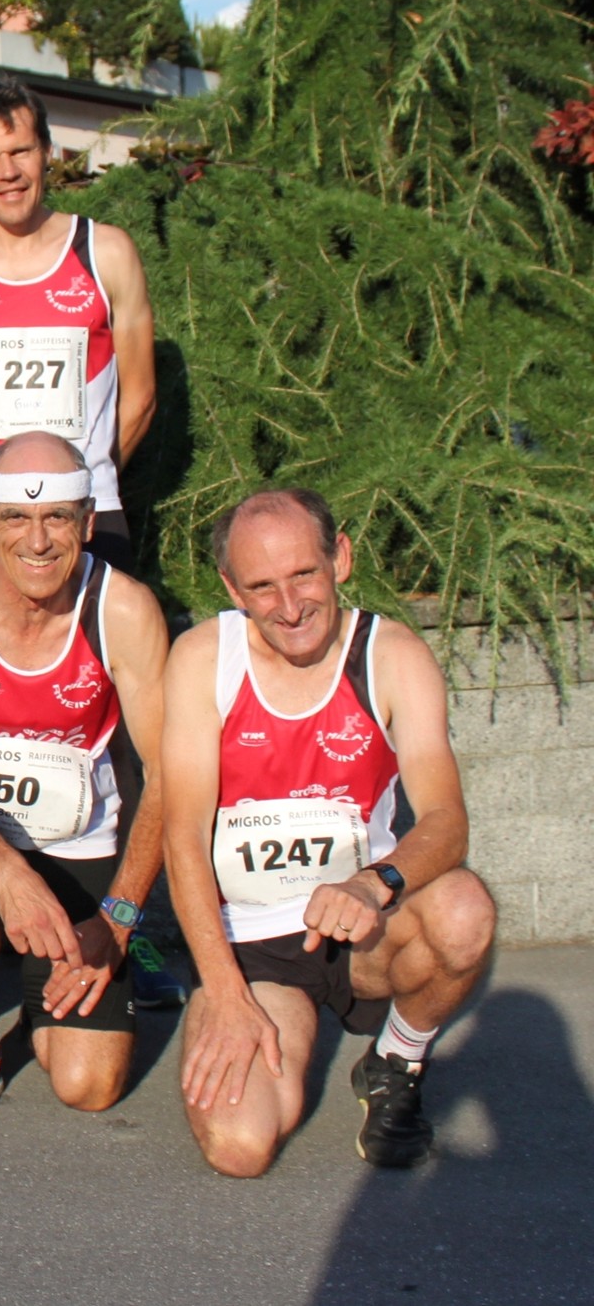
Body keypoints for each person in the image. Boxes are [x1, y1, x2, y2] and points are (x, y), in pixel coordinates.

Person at [162, 489, 496, 1174]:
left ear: (339, 557)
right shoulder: (204, 657)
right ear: (233, 588)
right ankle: (236, 1005)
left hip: (362, 928)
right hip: (254, 945)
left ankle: (396, 1061)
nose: (288, 606)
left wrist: (375, 883)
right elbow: (183, 837)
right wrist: (225, 991)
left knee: (464, 911)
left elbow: (445, 820)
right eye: (262, 586)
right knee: (241, 1146)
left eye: (304, 575)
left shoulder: (392, 654)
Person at [0, 432, 168, 1126]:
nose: (38, 540)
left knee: (88, 1084)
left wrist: (122, 914)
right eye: (17, 517)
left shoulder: (126, 608)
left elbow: (169, 777)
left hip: (80, 847)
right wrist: (6, 870)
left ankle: (96, 964)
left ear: (88, 520)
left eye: (57, 519)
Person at [0, 72, 156, 574]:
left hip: (88, 508)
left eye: (21, 151)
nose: (8, 171)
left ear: (47, 151)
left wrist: (81, 478)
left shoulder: (108, 252)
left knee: (97, 654)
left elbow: (141, 397)